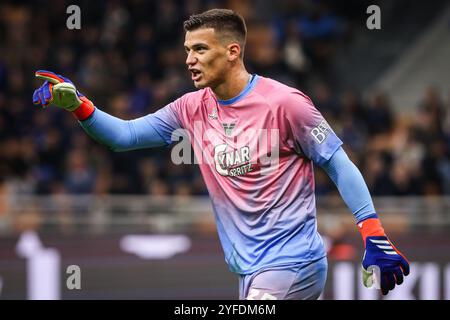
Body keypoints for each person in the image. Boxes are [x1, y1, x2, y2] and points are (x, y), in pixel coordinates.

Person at [32, 9, 409, 300]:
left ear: (232, 52)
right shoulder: (190, 108)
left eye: (199, 49)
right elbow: (125, 136)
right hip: (250, 270)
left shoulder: (286, 104)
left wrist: (372, 232)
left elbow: (338, 163)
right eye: (187, 50)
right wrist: (80, 106)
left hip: (294, 262)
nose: (189, 60)